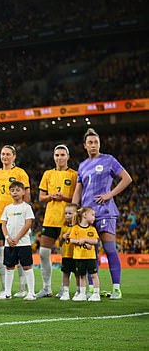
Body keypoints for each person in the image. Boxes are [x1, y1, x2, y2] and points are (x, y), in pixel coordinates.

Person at [72, 128, 132, 299]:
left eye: (96, 142)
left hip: (105, 211)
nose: (93, 145)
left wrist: (110, 194)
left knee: (110, 248)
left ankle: (116, 289)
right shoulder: (82, 165)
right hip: (86, 214)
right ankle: (93, 289)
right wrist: (74, 209)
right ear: (85, 145)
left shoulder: (109, 160)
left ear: (99, 144)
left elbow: (127, 178)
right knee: (91, 251)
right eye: (90, 142)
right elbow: (78, 189)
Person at [36, 144, 77, 298]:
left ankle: (64, 288)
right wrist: (51, 197)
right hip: (50, 219)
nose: (59, 158)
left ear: (68, 157)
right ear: (53, 157)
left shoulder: (74, 175)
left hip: (68, 220)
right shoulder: (48, 174)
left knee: (66, 255)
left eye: (62, 155)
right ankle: (46, 288)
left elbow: (77, 198)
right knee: (43, 253)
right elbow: (41, 198)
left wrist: (64, 198)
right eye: (57, 155)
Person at [0, 145, 30, 296]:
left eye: (8, 154)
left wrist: (24, 212)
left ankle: (22, 288)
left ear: (14, 156)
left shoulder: (20, 173)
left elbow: (27, 194)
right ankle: (4, 288)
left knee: (19, 252)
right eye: (2, 154)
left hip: (17, 217)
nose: (4, 157)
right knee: (2, 254)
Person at [0, 181, 36, 301]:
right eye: (12, 190)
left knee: (27, 266)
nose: (15, 192)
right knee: (9, 267)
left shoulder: (26, 207)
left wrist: (17, 238)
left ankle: (31, 292)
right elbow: (3, 224)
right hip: (10, 243)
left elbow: (28, 223)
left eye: (18, 190)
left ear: (23, 192)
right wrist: (7, 238)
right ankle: (7, 292)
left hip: (23, 243)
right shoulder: (7, 208)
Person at [69, 206, 101, 302]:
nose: (94, 217)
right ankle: (82, 294)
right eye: (92, 215)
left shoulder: (92, 229)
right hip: (79, 256)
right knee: (81, 275)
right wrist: (79, 242)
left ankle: (96, 294)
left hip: (90, 257)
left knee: (93, 275)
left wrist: (86, 240)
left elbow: (95, 241)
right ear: (85, 215)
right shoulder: (75, 228)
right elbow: (71, 240)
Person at [58, 203, 79, 301]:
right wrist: (62, 237)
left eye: (70, 213)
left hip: (77, 255)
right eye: (65, 213)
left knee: (78, 274)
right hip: (66, 255)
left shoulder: (78, 228)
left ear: (76, 214)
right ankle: (65, 292)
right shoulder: (64, 227)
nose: (67, 215)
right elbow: (59, 243)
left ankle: (79, 291)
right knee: (65, 274)